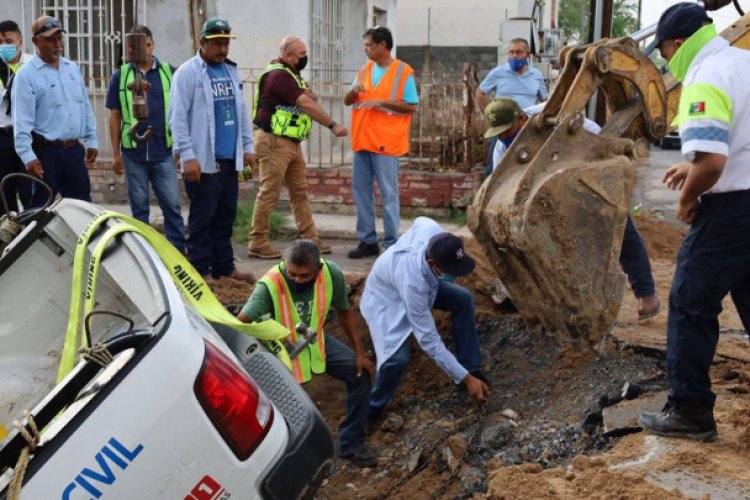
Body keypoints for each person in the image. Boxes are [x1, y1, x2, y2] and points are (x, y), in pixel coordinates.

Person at [638, 3, 750, 442]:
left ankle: (690, 412)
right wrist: (697, 166)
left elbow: (715, 161)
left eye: (664, 52)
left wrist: (688, 196)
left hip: (729, 213)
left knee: (689, 302)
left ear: (678, 44)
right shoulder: (742, 61)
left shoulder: (704, 76)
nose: (665, 61)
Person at [483, 97, 661, 320]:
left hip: (588, 168)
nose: (503, 138)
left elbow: (596, 135)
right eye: (498, 134)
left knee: (621, 229)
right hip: (552, 190)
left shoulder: (553, 116)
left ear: (521, 118)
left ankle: (646, 295)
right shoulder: (502, 149)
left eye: (507, 131)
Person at [238, 240, 377, 467]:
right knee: (281, 403)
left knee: (360, 373)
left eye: (305, 276)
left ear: (318, 270)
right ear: (285, 264)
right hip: (280, 351)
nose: (297, 280)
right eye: (293, 274)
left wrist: (360, 353)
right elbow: (241, 324)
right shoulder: (269, 285)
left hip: (315, 342)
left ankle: (351, 444)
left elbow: (344, 312)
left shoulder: (331, 274)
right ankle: (282, 457)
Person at [360, 217, 490, 420]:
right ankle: (369, 411)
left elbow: (420, 219)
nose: (455, 276)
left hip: (412, 278)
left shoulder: (432, 232)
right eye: (450, 272)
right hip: (385, 298)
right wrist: (465, 380)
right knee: (396, 359)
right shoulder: (413, 285)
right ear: (432, 264)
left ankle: (470, 367)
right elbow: (429, 341)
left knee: (463, 299)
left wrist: (405, 243)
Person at [168, 18, 255, 282]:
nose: (222, 49)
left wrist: (247, 146)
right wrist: (188, 155)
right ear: (203, 42)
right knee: (202, 219)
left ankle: (224, 268)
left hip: (229, 158)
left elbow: (241, 111)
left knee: (224, 217)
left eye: (226, 43)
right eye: (217, 43)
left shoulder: (230, 71)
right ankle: (201, 270)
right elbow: (178, 118)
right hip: (203, 161)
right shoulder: (187, 72)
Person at [247, 36, 346, 259]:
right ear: (288, 55)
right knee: (269, 192)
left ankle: (310, 239)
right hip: (274, 141)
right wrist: (332, 124)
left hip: (291, 142)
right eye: (301, 55)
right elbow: (305, 103)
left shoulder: (291, 74)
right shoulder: (278, 76)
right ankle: (257, 241)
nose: (305, 58)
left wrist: (310, 95)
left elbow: (306, 96)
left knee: (299, 192)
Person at [106, 25, 186, 253]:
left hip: (162, 150)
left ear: (153, 45)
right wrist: (115, 154)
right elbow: (114, 115)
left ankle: (176, 251)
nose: (144, 50)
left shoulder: (170, 73)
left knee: (171, 204)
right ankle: (144, 254)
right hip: (134, 153)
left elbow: (181, 113)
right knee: (139, 208)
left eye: (148, 45)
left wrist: (182, 149)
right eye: (138, 46)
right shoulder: (120, 76)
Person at [344, 26, 418, 259]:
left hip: (386, 142)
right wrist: (354, 91)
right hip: (362, 140)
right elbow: (347, 101)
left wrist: (381, 102)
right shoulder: (364, 70)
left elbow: (410, 105)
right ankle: (367, 241)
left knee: (388, 193)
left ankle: (392, 242)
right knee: (361, 192)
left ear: (383, 45)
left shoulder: (403, 72)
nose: (365, 49)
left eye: (369, 45)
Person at [12, 16, 98, 208]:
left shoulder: (72, 69)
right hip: (46, 155)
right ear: (36, 42)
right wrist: (28, 157)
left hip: (74, 152)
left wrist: (92, 140)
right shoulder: (26, 76)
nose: (57, 44)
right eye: (51, 39)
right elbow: (22, 121)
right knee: (40, 211)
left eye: (60, 38)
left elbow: (84, 106)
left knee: (83, 208)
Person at [475, 38, 548, 177]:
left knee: (526, 167)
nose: (514, 56)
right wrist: (490, 116)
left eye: (519, 52)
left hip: (525, 129)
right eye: (512, 52)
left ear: (528, 55)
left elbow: (545, 100)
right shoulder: (498, 73)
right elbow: (479, 93)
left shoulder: (536, 75)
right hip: (503, 128)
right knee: (494, 169)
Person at [0, 20, 33, 215]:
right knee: (5, 190)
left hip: (28, 134)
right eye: (0, 41)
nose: (4, 46)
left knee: (30, 187)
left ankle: (31, 228)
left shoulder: (31, 65)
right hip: (3, 135)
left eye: (8, 40)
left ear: (19, 41)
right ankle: (10, 235)